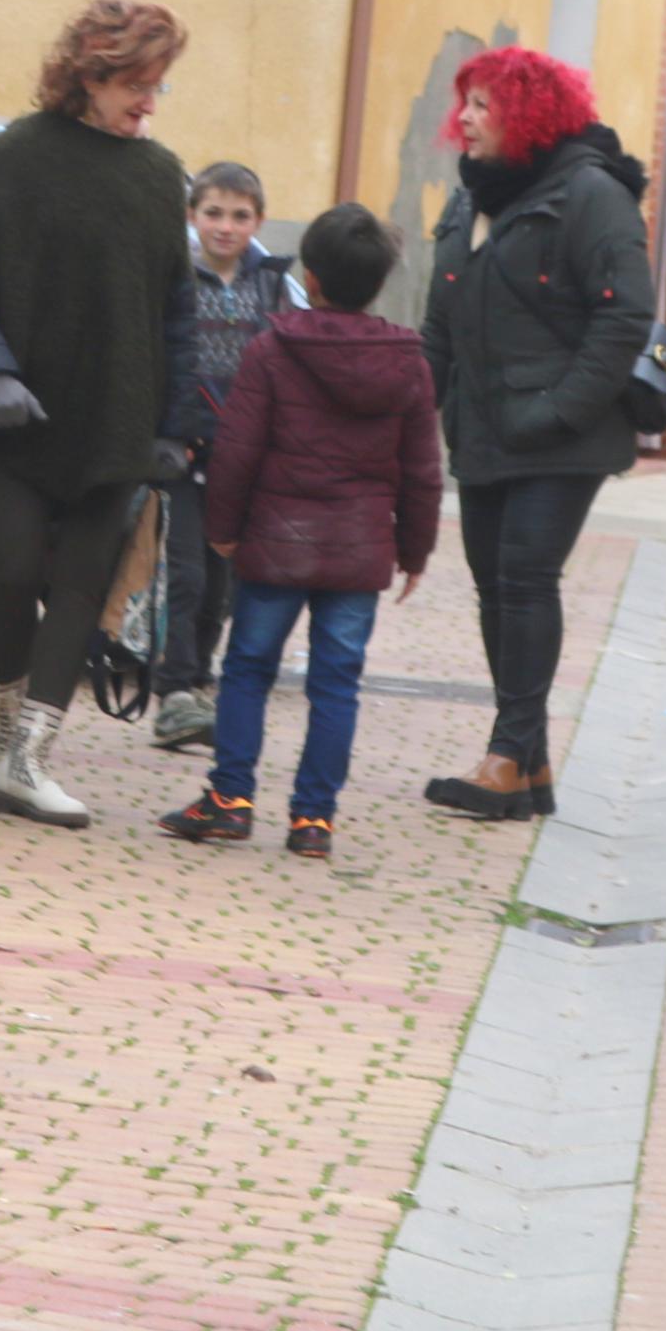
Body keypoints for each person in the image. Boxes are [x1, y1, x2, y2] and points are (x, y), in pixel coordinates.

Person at [0, 0, 206, 828]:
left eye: (159, 86)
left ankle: (27, 759)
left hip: (114, 420)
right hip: (15, 415)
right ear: (91, 73)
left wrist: (174, 428)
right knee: (10, 569)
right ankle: (1, 741)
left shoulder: (158, 176)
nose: (149, 102)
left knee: (79, 587)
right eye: (137, 85)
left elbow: (175, 312)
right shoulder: (13, 158)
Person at [414, 45, 654, 821]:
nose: (466, 118)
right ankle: (528, 767)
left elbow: (623, 316)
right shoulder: (470, 197)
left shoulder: (591, 193)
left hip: (562, 430)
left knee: (523, 575)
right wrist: (427, 402)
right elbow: (440, 313)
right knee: (494, 586)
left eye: (483, 103)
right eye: (466, 103)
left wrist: (555, 410)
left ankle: (508, 754)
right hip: (483, 423)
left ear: (527, 112)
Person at [161, 203, 440, 855]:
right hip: (360, 548)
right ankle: (313, 818)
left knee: (247, 668)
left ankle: (229, 799)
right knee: (337, 681)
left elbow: (236, 448)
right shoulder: (408, 362)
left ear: (308, 277)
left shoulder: (271, 348)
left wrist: (223, 529)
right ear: (376, 282)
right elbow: (422, 468)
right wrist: (414, 549)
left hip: (273, 543)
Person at [153, 161, 293, 749]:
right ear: (192, 216)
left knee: (224, 579)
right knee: (186, 571)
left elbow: (286, 366)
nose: (226, 227)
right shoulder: (176, 277)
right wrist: (164, 432)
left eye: (239, 216)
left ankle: (200, 679)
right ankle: (174, 691)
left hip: (246, 459)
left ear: (258, 221)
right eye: (213, 213)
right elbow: (161, 359)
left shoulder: (271, 284)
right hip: (188, 449)